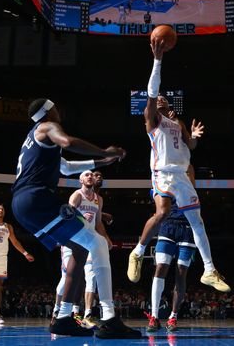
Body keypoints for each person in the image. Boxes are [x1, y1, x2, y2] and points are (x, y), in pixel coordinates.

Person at [11, 98, 140, 339]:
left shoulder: (33, 137)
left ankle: (63, 319)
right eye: (56, 108)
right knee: (99, 243)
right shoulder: (47, 127)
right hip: (37, 199)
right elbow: (68, 142)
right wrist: (105, 150)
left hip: (23, 204)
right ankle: (110, 318)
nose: (59, 111)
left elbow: (67, 168)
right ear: (49, 111)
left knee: (81, 249)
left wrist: (102, 161)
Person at [127, 40, 230, 293]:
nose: (159, 99)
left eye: (163, 98)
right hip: (163, 173)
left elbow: (191, 147)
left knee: (198, 222)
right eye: (157, 98)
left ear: (169, 105)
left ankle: (209, 269)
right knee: (162, 213)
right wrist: (158, 60)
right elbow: (152, 91)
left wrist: (193, 136)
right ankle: (138, 252)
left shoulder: (178, 123)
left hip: (182, 176)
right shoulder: (152, 120)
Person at [52, 164, 115, 329]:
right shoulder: (77, 195)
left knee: (87, 277)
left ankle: (82, 314)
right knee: (67, 277)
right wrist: (80, 217)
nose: (89, 177)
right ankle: (57, 311)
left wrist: (106, 239)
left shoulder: (98, 199)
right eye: (86, 175)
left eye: (91, 175)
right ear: (80, 180)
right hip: (72, 240)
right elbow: (67, 215)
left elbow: (99, 223)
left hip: (88, 241)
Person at [147, 169, 197, 332]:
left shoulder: (189, 186)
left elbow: (189, 171)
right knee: (160, 268)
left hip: (187, 229)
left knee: (181, 273)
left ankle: (173, 317)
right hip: (167, 228)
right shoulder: (161, 185)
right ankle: (154, 316)